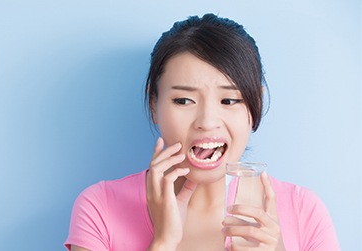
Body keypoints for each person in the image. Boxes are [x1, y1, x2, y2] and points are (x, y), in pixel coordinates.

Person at [64, 13, 340, 251]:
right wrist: (163, 243)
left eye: (229, 101)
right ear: (154, 105)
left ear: (255, 104)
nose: (207, 122)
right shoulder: (100, 208)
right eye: (184, 101)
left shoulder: (304, 211)